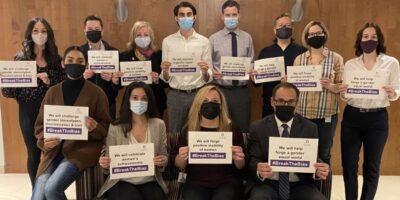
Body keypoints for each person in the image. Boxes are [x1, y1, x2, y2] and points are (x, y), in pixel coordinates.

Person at [31, 46, 111, 200]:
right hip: (53, 151)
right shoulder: (52, 92)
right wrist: (44, 142)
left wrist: (95, 127)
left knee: (52, 189)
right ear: (63, 63)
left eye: (80, 61)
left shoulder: (97, 93)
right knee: (38, 197)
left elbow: (106, 128)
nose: (75, 64)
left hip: (80, 151)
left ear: (86, 65)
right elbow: (40, 126)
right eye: (70, 60)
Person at [339, 23, 400, 200]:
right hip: (352, 117)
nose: (369, 40)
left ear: (379, 40)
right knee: (349, 164)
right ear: (360, 40)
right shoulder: (350, 64)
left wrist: (392, 93)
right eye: (365, 36)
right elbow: (346, 96)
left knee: (372, 166)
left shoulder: (391, 63)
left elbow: (397, 90)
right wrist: (344, 93)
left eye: (373, 37)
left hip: (377, 119)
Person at [1, 17, 65, 187]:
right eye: (36, 31)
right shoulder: (21, 58)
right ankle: (36, 192)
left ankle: (51, 188)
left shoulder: (55, 59)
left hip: (50, 111)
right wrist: (7, 80)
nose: (40, 35)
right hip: (28, 111)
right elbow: (8, 93)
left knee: (52, 151)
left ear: (48, 34)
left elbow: (63, 85)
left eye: (43, 31)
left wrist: (49, 80)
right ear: (30, 34)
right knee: (34, 153)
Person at [246, 82, 329, 200]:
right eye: (280, 101)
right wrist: (259, 168)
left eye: (290, 101)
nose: (285, 104)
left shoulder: (310, 128)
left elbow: (313, 160)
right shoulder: (258, 127)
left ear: (297, 103)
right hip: (268, 184)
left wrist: (317, 171)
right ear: (272, 102)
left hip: (300, 184)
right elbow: (253, 159)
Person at [97, 82, 168, 200]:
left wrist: (162, 161)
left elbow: (164, 155)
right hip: (121, 180)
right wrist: (105, 164)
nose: (139, 101)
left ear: (149, 101)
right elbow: (108, 164)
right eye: (135, 98)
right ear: (128, 100)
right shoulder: (115, 127)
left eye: (144, 98)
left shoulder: (159, 124)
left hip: (149, 179)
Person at [173, 85, 245, 200]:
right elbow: (179, 164)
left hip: (226, 182)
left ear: (221, 106)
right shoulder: (188, 129)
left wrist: (239, 159)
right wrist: (181, 157)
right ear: (198, 105)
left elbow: (241, 166)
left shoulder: (232, 128)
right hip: (195, 182)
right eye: (205, 101)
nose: (210, 104)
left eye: (215, 101)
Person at [293, 21, 343, 166]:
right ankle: (305, 187)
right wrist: (289, 81)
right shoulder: (299, 59)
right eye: (312, 34)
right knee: (303, 154)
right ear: (307, 37)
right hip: (303, 114)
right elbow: (295, 88)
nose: (315, 36)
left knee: (323, 155)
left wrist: (330, 85)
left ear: (324, 35)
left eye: (318, 33)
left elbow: (343, 87)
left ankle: (323, 189)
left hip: (326, 115)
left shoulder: (336, 58)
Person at [160, 1, 213, 133]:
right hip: (175, 95)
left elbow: (208, 77)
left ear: (194, 17)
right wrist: (165, 71)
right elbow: (165, 77)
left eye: (189, 14)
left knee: (198, 132)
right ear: (176, 18)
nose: (185, 17)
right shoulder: (167, 41)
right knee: (175, 133)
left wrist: (205, 72)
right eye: (182, 15)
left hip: (198, 94)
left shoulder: (204, 41)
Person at [209, 0, 254, 133]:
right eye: (228, 15)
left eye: (234, 14)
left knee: (242, 129)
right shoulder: (213, 39)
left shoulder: (247, 38)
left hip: (241, 91)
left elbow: (251, 60)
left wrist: (252, 70)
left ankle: (241, 154)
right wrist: (212, 73)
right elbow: (209, 66)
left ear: (239, 15)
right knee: (219, 127)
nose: (231, 18)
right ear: (222, 17)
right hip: (220, 90)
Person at [252, 13, 307, 117]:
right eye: (280, 26)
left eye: (287, 26)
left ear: (293, 29)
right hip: (270, 105)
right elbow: (257, 84)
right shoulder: (265, 52)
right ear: (274, 30)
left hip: (294, 104)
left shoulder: (302, 52)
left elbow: (307, 79)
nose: (284, 28)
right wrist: (254, 78)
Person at [119, 21, 167, 118]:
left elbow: (167, 83)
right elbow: (118, 85)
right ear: (133, 38)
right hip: (132, 103)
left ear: (151, 37)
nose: (142, 38)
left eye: (146, 35)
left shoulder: (160, 55)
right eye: (138, 35)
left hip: (155, 102)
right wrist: (117, 79)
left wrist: (157, 80)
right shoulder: (125, 56)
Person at [80, 14, 120, 120]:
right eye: (90, 29)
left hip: (108, 104)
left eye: (97, 29)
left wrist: (113, 80)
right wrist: (82, 77)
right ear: (84, 31)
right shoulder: (78, 53)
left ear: (102, 31)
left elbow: (118, 85)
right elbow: (71, 81)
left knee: (109, 135)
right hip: (85, 105)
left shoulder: (113, 52)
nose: (93, 31)